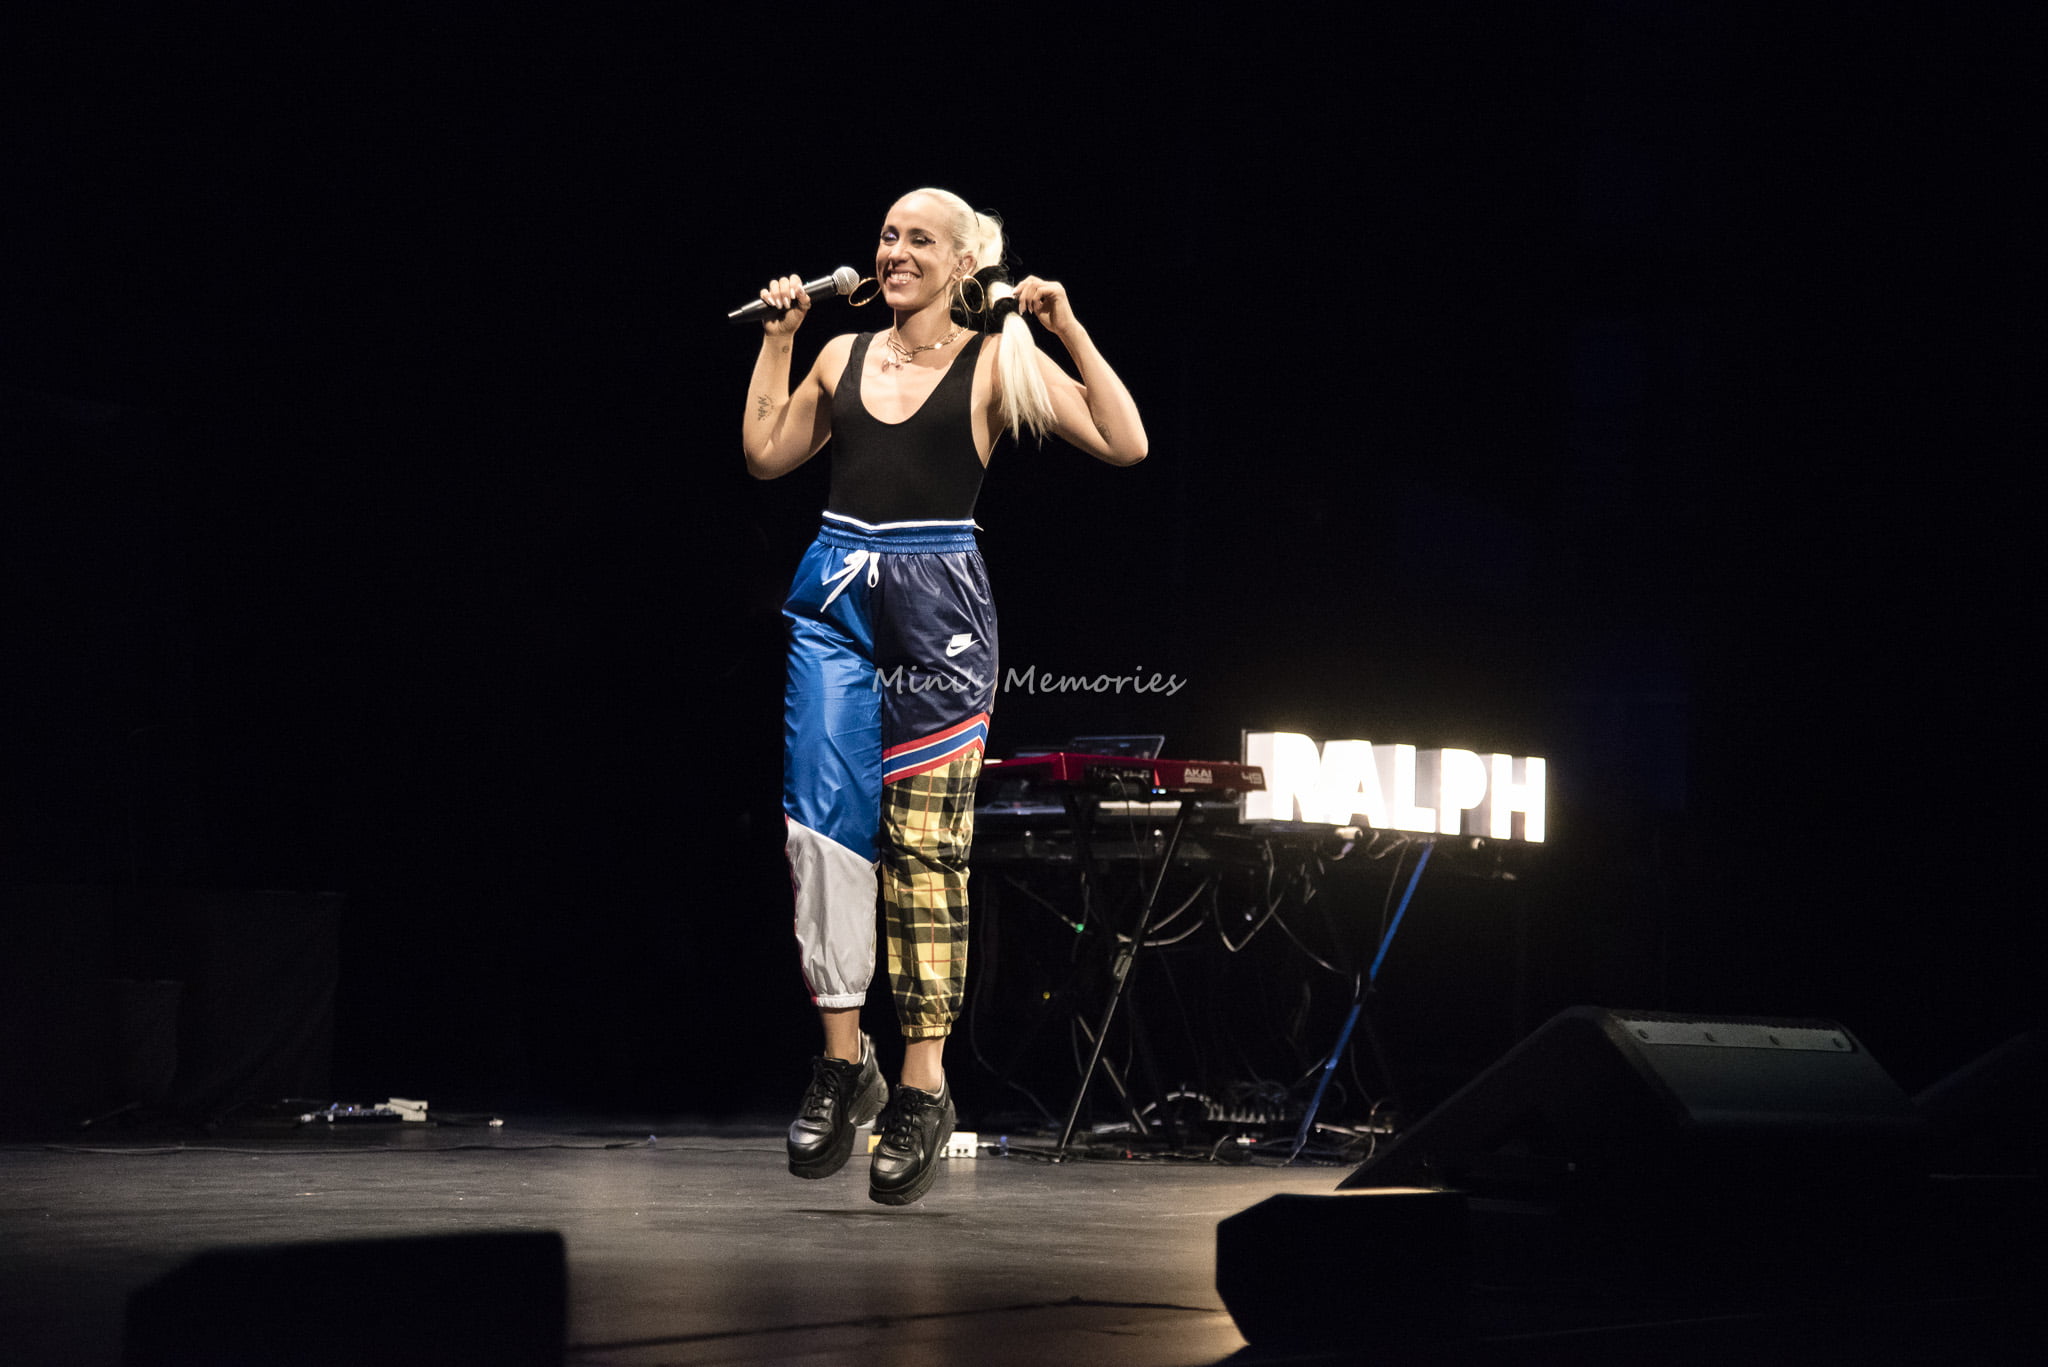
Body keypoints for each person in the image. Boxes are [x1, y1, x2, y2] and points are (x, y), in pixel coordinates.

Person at [741, 188, 1147, 1204]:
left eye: (919, 239)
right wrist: (781, 341)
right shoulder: (840, 354)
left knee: (925, 844)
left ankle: (923, 1082)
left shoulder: (997, 359)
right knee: (821, 824)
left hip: (939, 609)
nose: (894, 251)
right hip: (835, 590)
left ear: (965, 262)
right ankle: (844, 1061)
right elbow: (765, 454)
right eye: (887, 235)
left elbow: (1125, 440)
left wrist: (1066, 328)